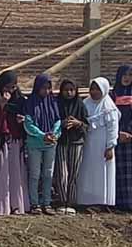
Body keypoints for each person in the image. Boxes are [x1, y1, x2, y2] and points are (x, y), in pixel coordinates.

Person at [0, 71, 29, 216]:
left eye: (13, 87)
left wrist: (22, 120)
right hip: (0, 142)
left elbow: (25, 115)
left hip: (15, 141)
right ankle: (1, 205)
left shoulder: (19, 99)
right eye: (7, 87)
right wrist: (1, 105)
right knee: (1, 173)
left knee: (15, 174)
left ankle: (16, 204)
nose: (10, 91)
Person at [77, 78, 120, 208]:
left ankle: (102, 201)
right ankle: (86, 200)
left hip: (103, 144)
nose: (94, 92)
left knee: (102, 171)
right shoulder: (85, 103)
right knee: (87, 171)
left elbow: (113, 129)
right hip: (88, 143)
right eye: (92, 89)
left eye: (97, 89)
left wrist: (110, 147)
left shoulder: (109, 107)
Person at [23, 74, 62, 216]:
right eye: (43, 88)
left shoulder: (53, 102)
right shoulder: (30, 103)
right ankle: (34, 203)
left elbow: (58, 120)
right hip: (35, 143)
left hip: (51, 143)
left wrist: (54, 134)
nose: (46, 91)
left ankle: (47, 202)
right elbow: (28, 123)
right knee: (34, 174)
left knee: (48, 174)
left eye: (48, 88)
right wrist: (42, 135)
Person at [55, 79, 88, 215]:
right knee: (62, 173)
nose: (69, 93)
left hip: (76, 142)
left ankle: (71, 202)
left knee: (74, 173)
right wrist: (61, 124)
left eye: (71, 90)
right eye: (66, 90)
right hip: (61, 142)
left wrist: (77, 123)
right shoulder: (57, 104)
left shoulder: (80, 105)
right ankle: (62, 201)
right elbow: (53, 120)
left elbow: (87, 125)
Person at [112, 65, 132, 211]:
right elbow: (110, 117)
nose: (127, 78)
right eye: (124, 75)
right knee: (118, 170)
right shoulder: (112, 95)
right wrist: (118, 133)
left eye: (130, 75)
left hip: (131, 138)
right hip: (117, 138)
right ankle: (119, 202)